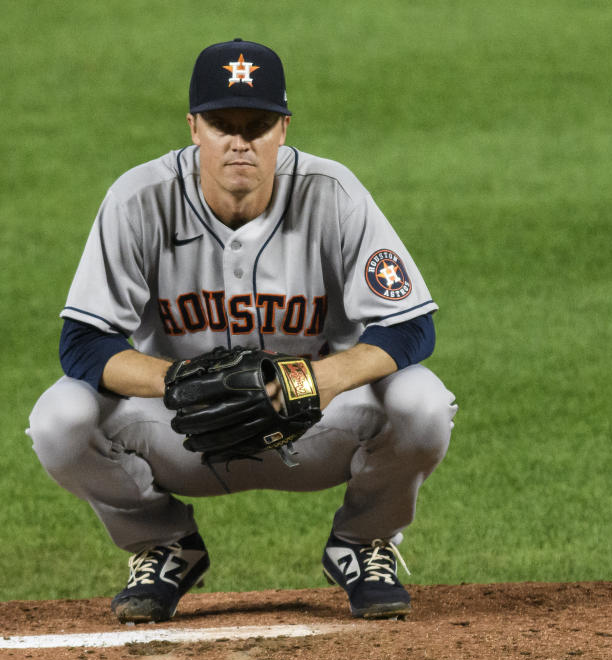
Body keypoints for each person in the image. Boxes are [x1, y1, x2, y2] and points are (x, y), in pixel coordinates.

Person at [26, 39, 457, 622]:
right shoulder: (138, 199)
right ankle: (163, 545)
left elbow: (410, 326)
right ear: (193, 127)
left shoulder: (334, 194)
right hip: (183, 430)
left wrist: (312, 380)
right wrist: (177, 382)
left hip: (313, 426)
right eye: (221, 123)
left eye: (256, 125)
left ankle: (363, 542)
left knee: (423, 402)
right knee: (59, 419)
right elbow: (81, 343)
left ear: (282, 129)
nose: (239, 142)